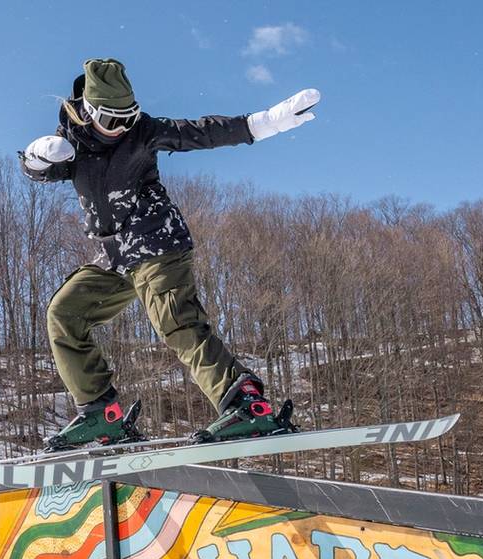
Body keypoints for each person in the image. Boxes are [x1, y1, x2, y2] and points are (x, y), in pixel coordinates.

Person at [19, 58, 319, 450]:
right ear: (89, 112)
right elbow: (44, 172)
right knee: (64, 313)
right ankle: (99, 412)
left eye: (128, 118)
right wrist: (36, 158)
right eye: (111, 120)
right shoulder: (73, 145)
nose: (121, 128)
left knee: (175, 321)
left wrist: (262, 123)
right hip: (116, 258)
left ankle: (245, 404)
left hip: (157, 243)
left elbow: (200, 132)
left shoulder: (143, 133)